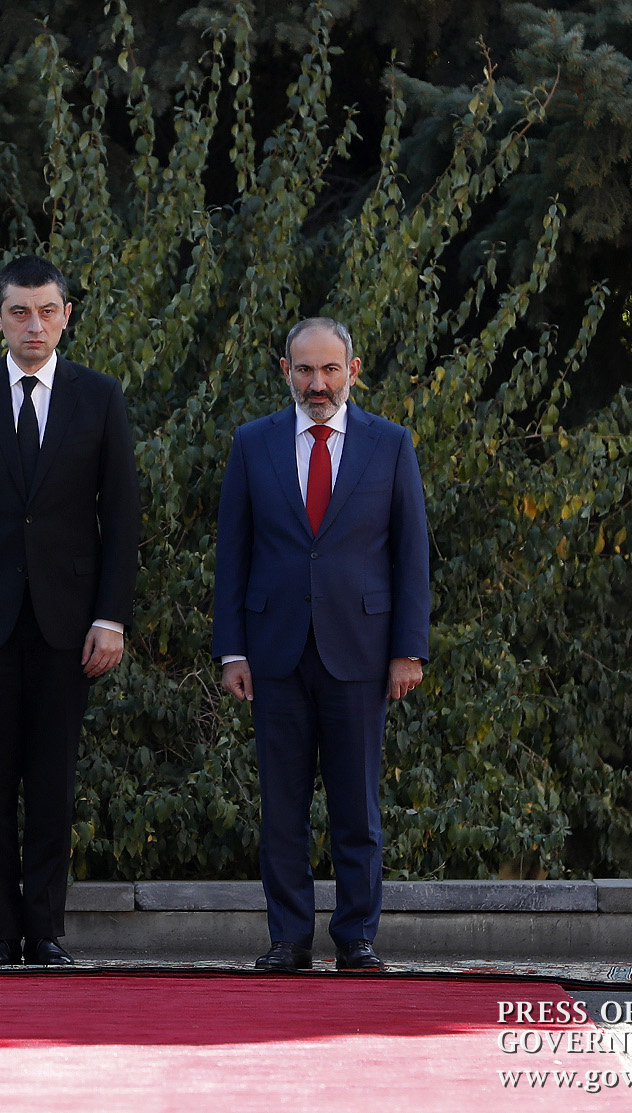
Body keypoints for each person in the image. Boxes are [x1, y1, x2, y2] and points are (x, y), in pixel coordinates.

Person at [0, 255, 139, 966]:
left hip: (69, 622)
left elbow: (121, 517)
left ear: (66, 316)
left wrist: (111, 617)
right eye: (19, 311)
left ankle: (44, 931)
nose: (33, 325)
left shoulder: (99, 397)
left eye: (46, 311)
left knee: (51, 783)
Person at [211, 317, 430, 972]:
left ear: (352, 372)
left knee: (356, 805)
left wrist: (408, 648)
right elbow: (233, 554)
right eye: (305, 369)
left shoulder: (390, 444)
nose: (318, 382)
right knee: (282, 807)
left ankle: (356, 938)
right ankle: (289, 939)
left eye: (330, 369)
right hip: (274, 651)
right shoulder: (252, 444)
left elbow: (411, 553)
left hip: (361, 651)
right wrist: (232, 650)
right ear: (286, 372)